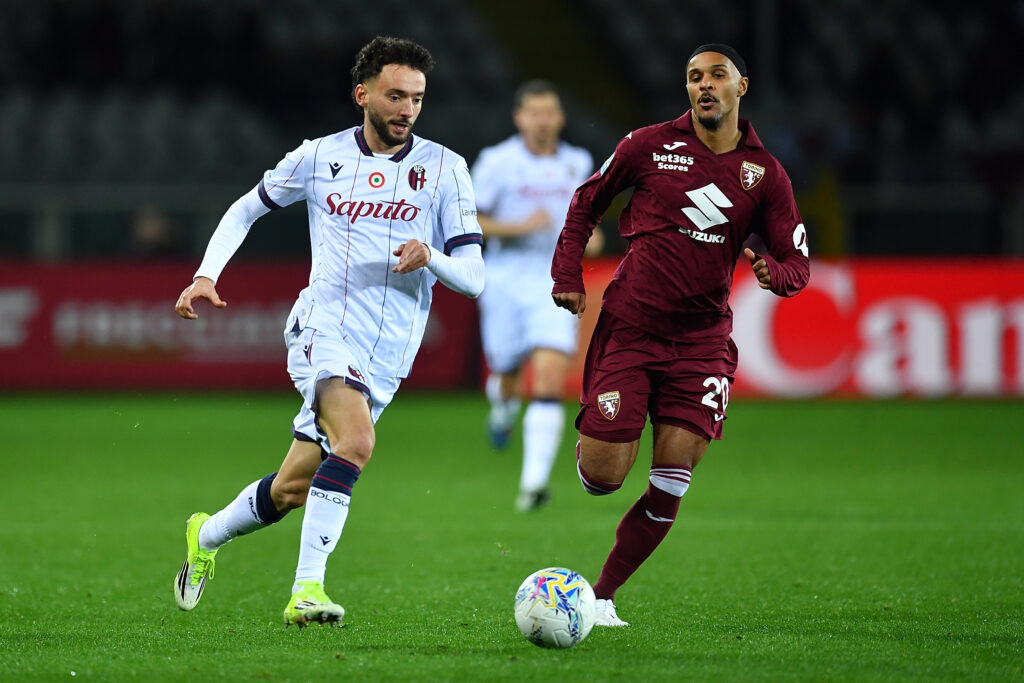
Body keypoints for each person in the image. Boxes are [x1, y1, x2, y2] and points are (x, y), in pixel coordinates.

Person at [171, 36, 484, 627]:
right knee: (357, 443)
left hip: (389, 353)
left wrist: (432, 258)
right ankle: (306, 590)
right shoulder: (319, 157)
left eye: (417, 98)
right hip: (323, 328)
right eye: (395, 96)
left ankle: (204, 535)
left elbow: (473, 278)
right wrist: (205, 274)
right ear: (362, 94)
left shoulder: (446, 169)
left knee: (292, 488)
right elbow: (247, 207)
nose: (407, 110)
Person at [551, 44, 810, 627]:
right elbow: (585, 202)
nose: (704, 86)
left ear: (742, 86)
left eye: (717, 75)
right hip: (631, 328)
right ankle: (599, 438)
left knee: (671, 482)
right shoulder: (646, 145)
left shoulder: (765, 174)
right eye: (694, 77)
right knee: (604, 479)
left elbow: (797, 260)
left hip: (702, 343)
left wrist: (777, 274)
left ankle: (602, 595)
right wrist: (567, 273)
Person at [471, 80, 598, 512]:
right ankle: (503, 409)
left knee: (547, 377)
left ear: (560, 118)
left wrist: (590, 240)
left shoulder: (577, 162)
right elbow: (470, 221)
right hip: (504, 279)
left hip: (556, 280)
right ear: (519, 118)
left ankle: (533, 484)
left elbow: (586, 220)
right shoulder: (496, 161)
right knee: (507, 372)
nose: (543, 121)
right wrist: (521, 227)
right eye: (534, 113)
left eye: (550, 113)